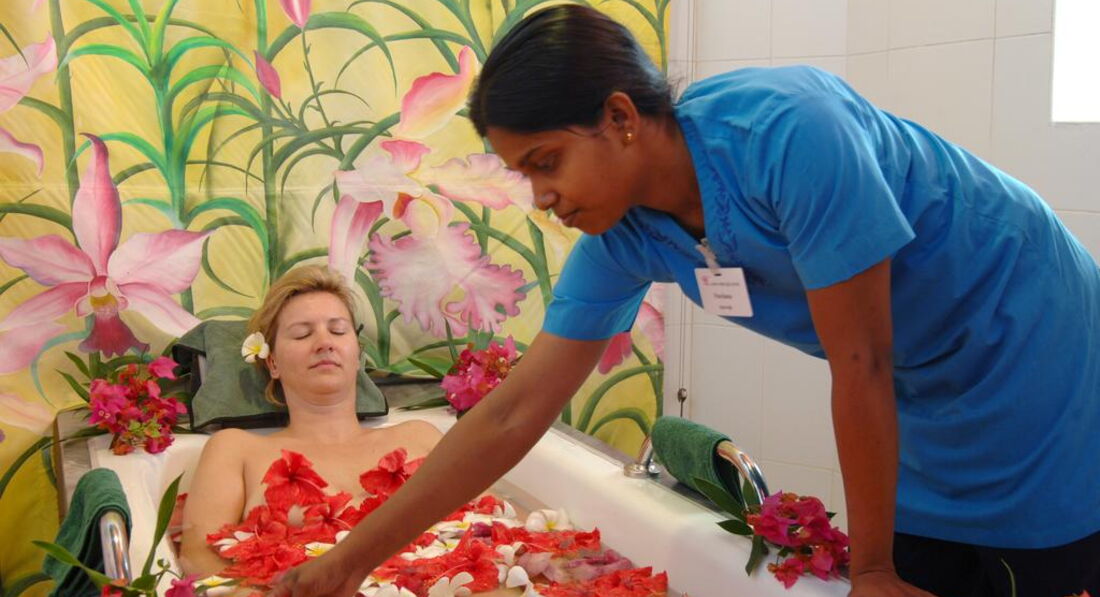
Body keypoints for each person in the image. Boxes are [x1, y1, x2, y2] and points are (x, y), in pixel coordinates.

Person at [270, 5, 1100, 597]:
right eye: (523, 174)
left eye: (546, 162)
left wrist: (873, 567)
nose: (540, 198)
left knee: (1023, 555)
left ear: (620, 117)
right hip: (923, 383)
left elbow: (862, 361)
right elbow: (512, 412)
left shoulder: (789, 134)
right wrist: (346, 562)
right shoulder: (623, 235)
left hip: (1030, 332)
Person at [179, 265, 442, 582]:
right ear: (273, 363)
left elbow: (489, 523)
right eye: (303, 334)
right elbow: (198, 555)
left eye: (338, 331)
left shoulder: (420, 437)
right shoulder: (236, 450)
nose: (324, 343)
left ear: (357, 356)